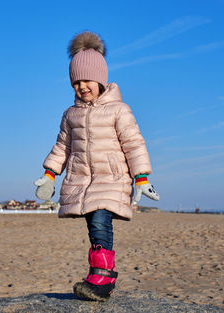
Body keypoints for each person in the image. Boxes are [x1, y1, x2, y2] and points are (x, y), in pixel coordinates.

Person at [34, 31, 160, 301]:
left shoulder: (119, 110)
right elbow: (62, 147)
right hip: (82, 181)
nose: (82, 86)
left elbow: (134, 144)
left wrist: (141, 177)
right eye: (76, 82)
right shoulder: (71, 115)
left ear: (101, 80)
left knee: (101, 222)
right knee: (94, 225)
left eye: (87, 80)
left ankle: (103, 275)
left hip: (112, 178)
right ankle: (100, 272)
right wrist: (49, 174)